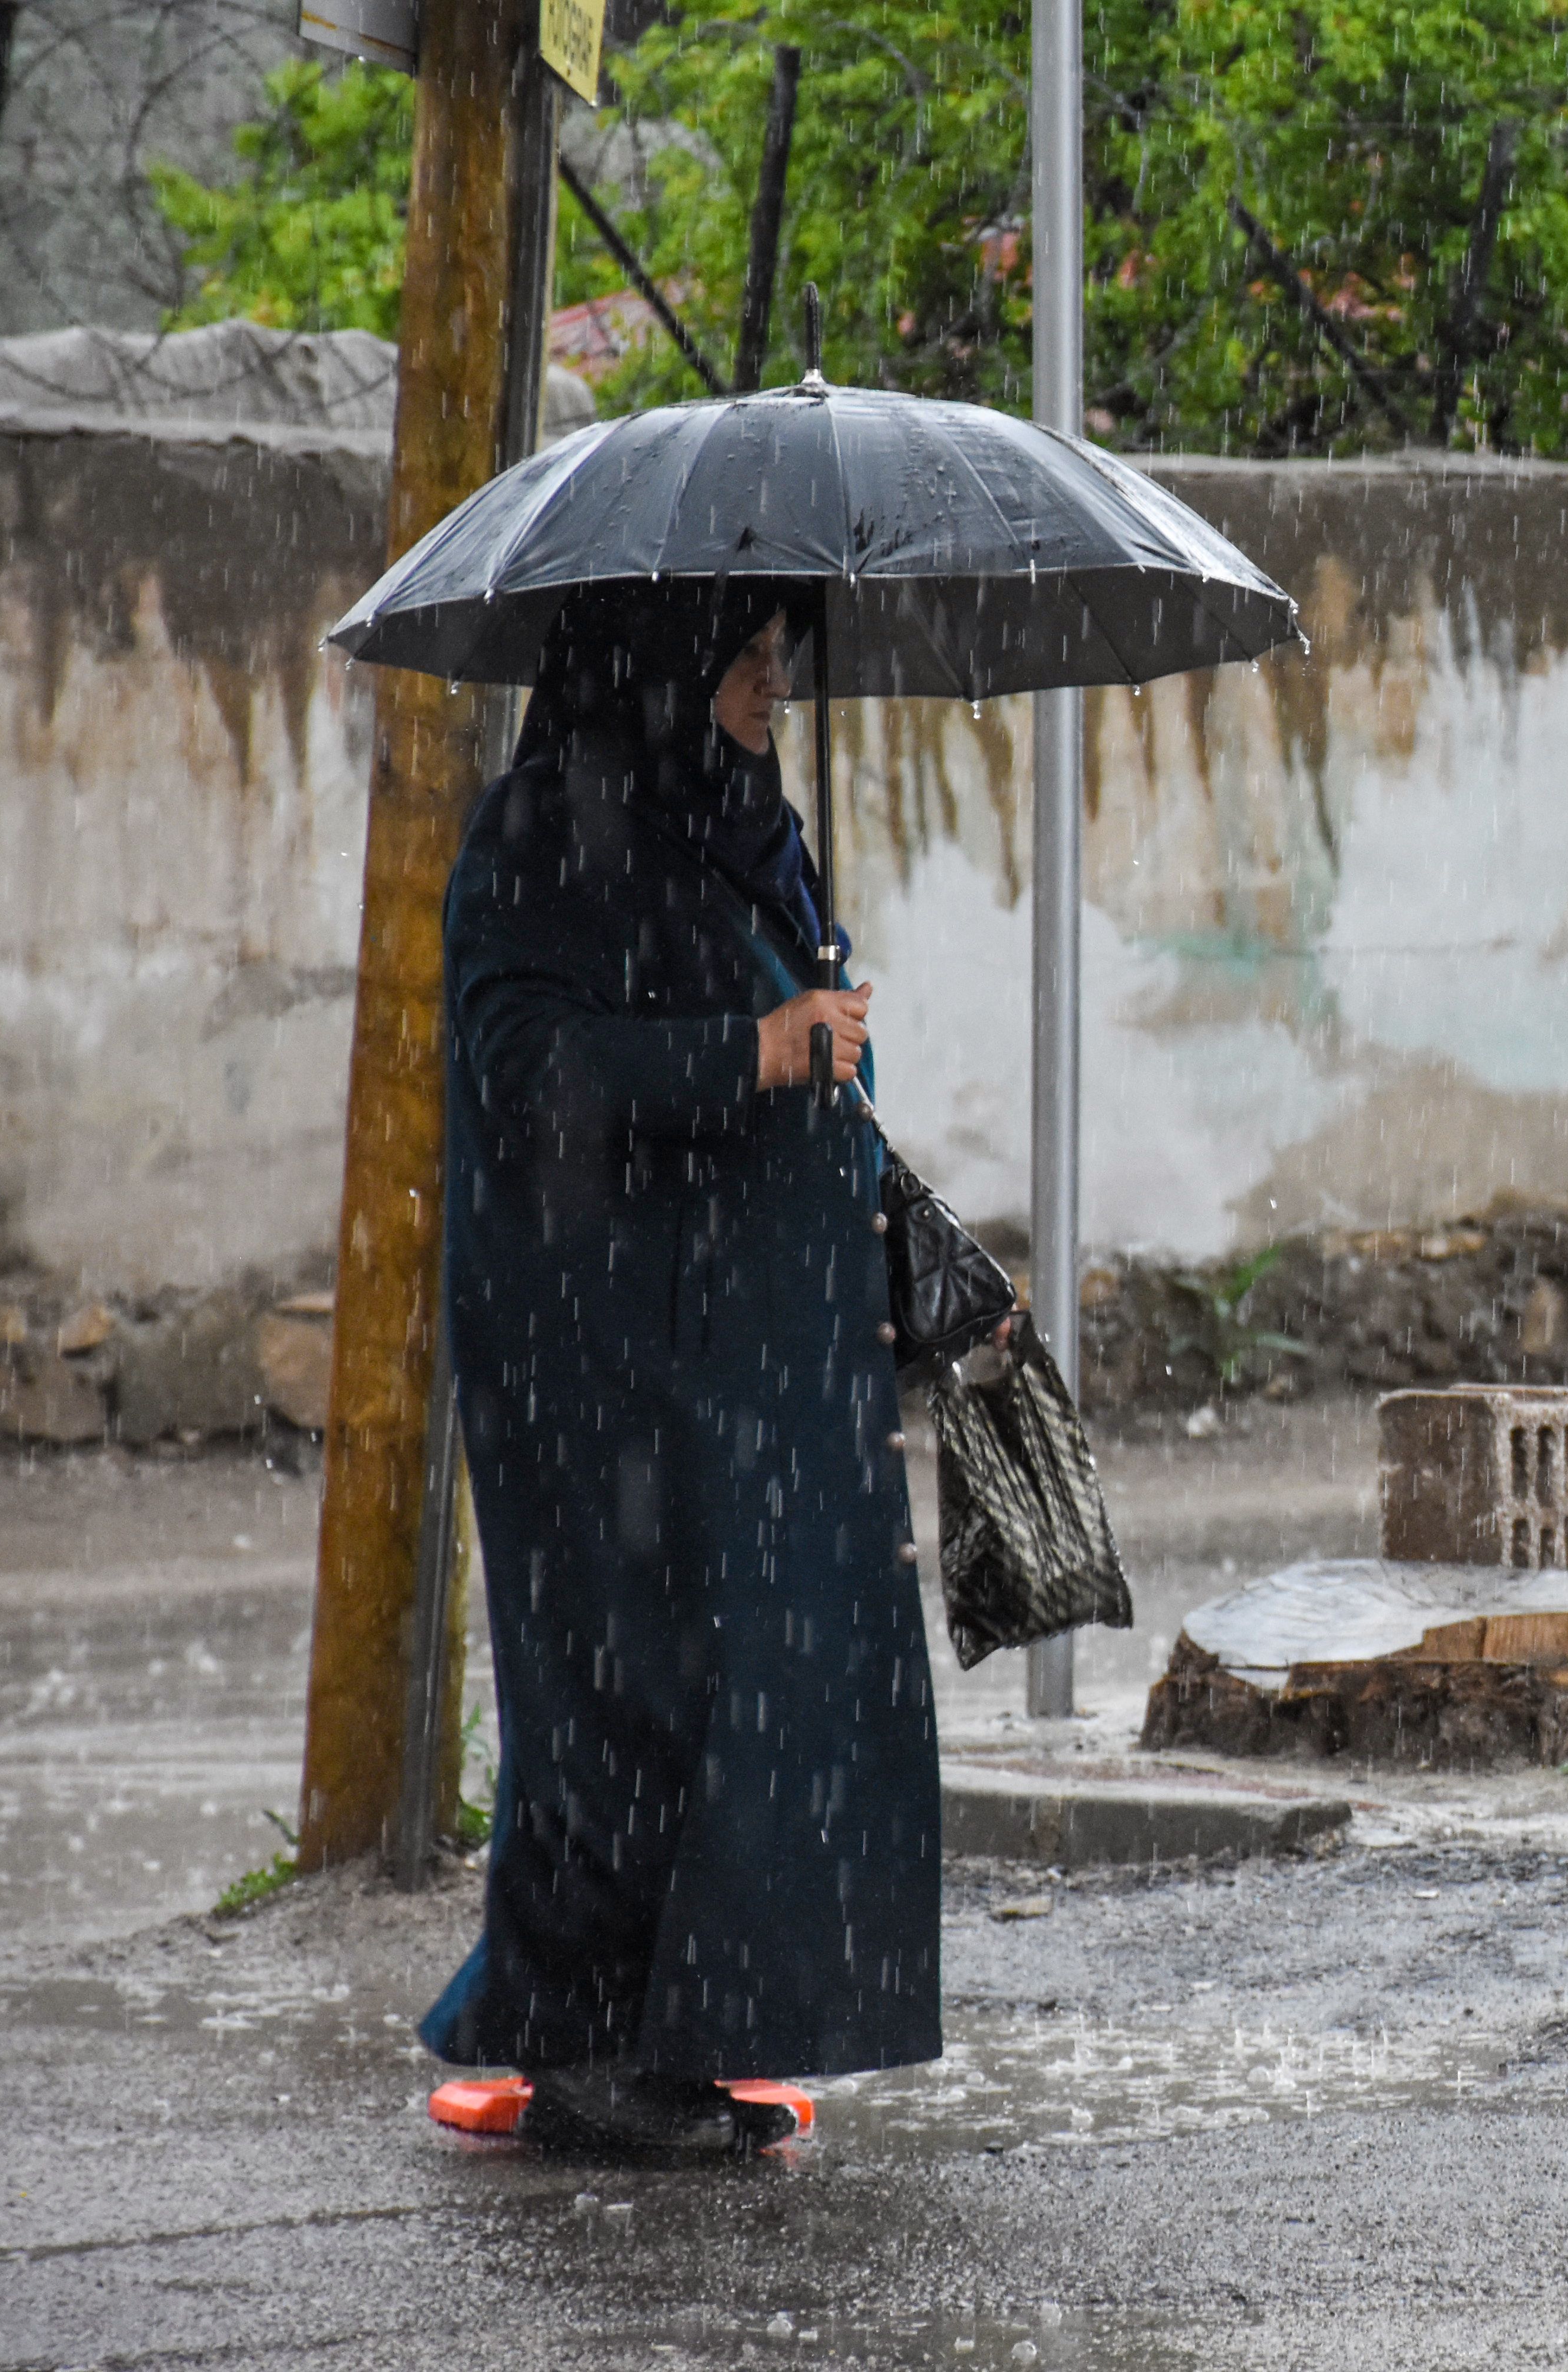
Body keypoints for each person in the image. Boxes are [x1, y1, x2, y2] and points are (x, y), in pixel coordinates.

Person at [417, 581, 939, 2151]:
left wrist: (890, 1200)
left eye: (784, 661)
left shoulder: (743, 830)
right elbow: (529, 1066)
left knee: (754, 1691)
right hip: (600, 1355)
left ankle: (695, 2037)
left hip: (745, 1353)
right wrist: (750, 1049)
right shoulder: (538, 837)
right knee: (618, 1695)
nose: (775, 689)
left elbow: (809, 1058)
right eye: (751, 661)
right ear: (655, 670)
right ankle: (585, 2057)